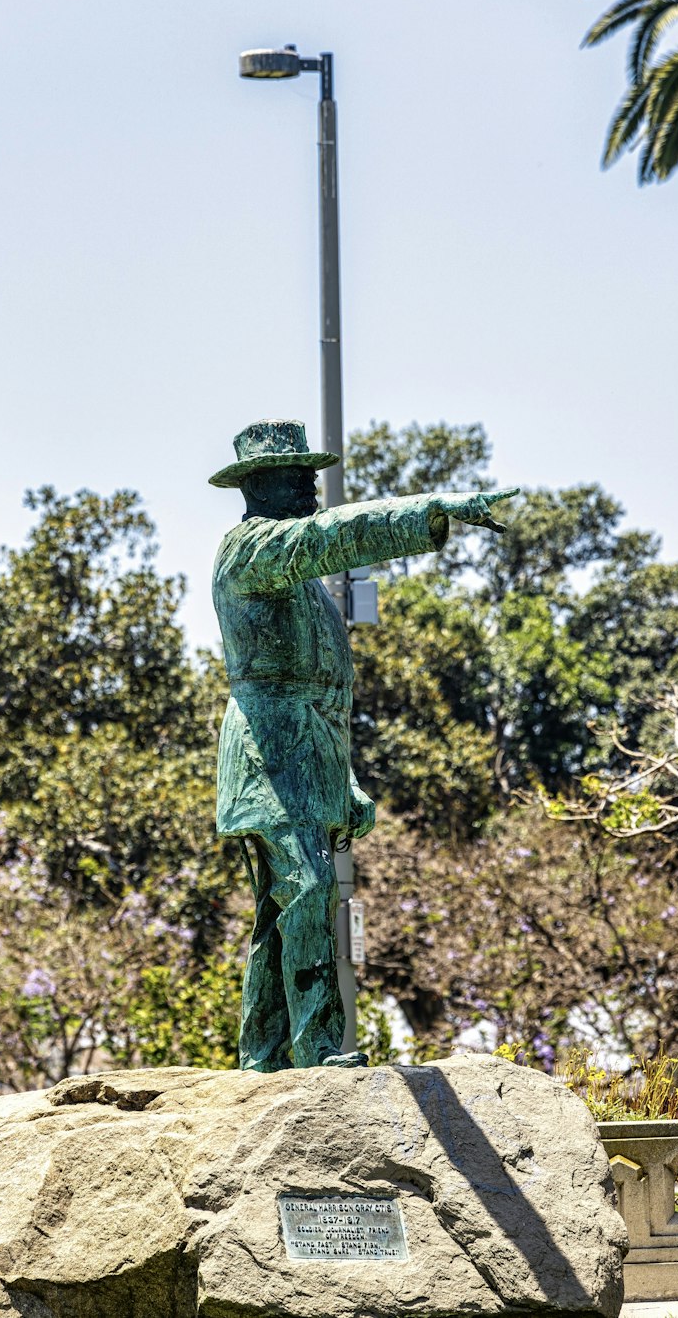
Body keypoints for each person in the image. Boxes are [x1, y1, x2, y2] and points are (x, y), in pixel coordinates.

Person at [210, 418, 516, 1071]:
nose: (314, 489)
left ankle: (262, 1056)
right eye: (300, 477)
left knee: (279, 912)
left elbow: (323, 689)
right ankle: (318, 1049)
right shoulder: (254, 550)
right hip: (266, 757)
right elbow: (333, 536)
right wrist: (428, 511)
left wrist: (342, 780)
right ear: (265, 484)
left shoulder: (303, 584)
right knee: (312, 887)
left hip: (305, 758)